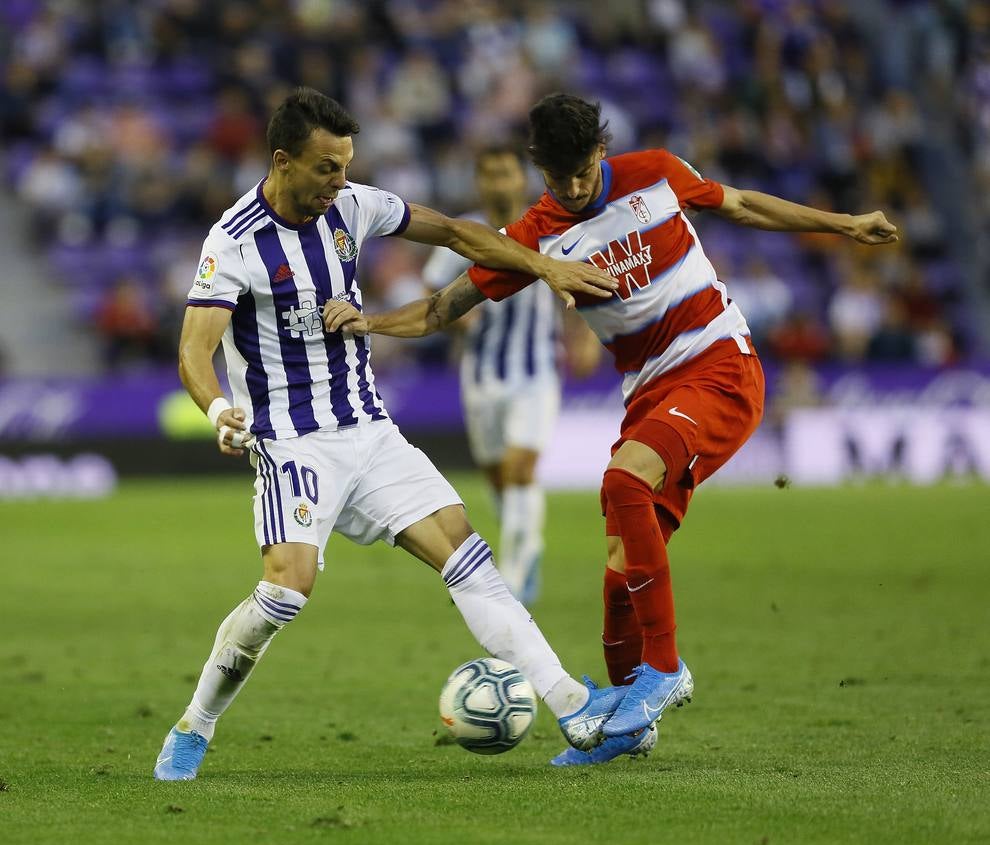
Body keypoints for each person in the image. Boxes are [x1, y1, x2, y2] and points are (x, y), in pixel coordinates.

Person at [323, 92, 898, 767]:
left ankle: (665, 668)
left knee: (625, 482)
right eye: (556, 178)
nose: (570, 189)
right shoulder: (535, 233)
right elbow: (445, 305)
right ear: (541, 169)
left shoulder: (656, 172)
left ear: (602, 151)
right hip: (649, 394)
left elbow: (740, 204)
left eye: (581, 173)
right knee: (620, 567)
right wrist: (371, 322)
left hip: (718, 365)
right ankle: (626, 725)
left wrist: (846, 224)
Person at [153, 87, 624, 781]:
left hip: (370, 432)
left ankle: (573, 704)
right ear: (282, 161)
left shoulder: (353, 206)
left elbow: (463, 236)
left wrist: (545, 264)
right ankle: (196, 724)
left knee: (469, 558)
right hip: (292, 439)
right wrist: (222, 411)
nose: (340, 182)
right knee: (287, 591)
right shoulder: (234, 241)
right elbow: (196, 350)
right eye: (325, 169)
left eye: (346, 166)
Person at [420, 144, 600, 607]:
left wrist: (583, 339)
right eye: (490, 175)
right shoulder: (465, 232)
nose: (499, 183)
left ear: (521, 179)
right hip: (480, 372)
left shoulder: (552, 225)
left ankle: (515, 577)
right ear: (479, 181)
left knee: (522, 469)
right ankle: (528, 541)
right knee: (498, 476)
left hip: (537, 369)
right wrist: (460, 319)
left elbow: (580, 279)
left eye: (506, 174)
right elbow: (432, 282)